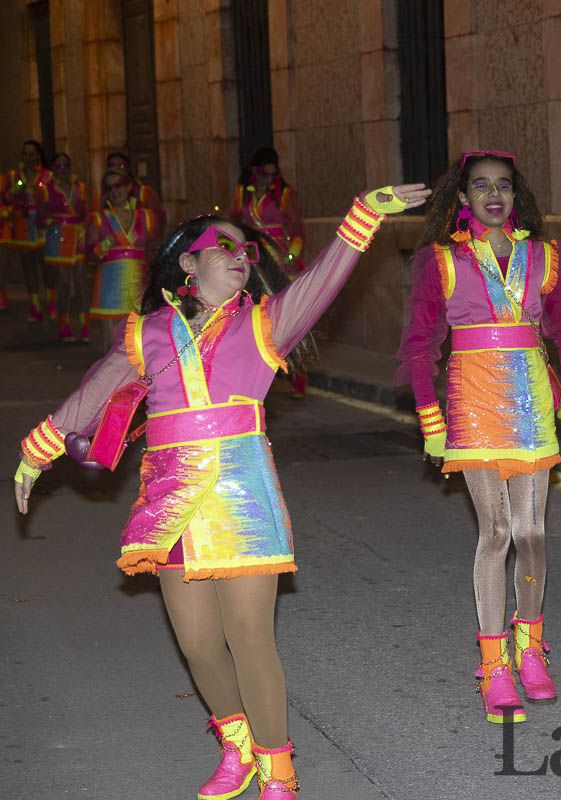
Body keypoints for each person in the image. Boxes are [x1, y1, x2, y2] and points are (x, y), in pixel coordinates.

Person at [14, 182, 430, 799]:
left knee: (250, 636)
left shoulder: (266, 324)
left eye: (247, 249)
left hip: (241, 493)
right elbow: (94, 393)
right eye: (224, 246)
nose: (242, 255)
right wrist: (35, 454)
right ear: (188, 263)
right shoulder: (147, 333)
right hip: (170, 500)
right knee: (199, 643)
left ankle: (279, 770)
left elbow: (322, 280)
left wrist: (362, 216)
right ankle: (237, 746)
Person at [397, 150, 561, 725]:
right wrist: (431, 418)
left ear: (515, 196)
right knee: (498, 531)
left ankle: (530, 647)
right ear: (462, 199)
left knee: (533, 532)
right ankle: (493, 665)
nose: (493, 195)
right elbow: (418, 347)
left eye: (503, 186)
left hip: (532, 400)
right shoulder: (442, 261)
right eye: (480, 186)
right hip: (472, 403)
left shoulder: (542, 256)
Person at [233, 147, 309, 396]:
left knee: (288, 317)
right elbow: (230, 221)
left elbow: (298, 232)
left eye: (272, 175)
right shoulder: (242, 195)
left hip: (278, 261)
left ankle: (297, 376)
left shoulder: (285, 195)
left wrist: (290, 257)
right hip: (250, 259)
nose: (268, 180)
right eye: (263, 174)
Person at [86, 168, 157, 350]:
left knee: (139, 344)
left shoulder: (146, 217)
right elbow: (89, 256)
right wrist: (101, 248)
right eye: (109, 188)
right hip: (110, 283)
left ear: (128, 187)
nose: (114, 191)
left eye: (118, 185)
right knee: (112, 347)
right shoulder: (99, 219)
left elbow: (154, 251)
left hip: (138, 283)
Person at [41, 153, 89, 341]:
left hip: (77, 236)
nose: (62, 169)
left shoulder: (79, 188)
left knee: (81, 282)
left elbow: (85, 213)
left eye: (65, 165)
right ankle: (64, 323)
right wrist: (51, 223)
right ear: (53, 168)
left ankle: (84, 324)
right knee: (63, 283)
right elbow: (41, 216)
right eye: (58, 166)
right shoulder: (46, 190)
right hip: (58, 236)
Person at [1, 140, 52, 320]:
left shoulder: (47, 176)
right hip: (23, 225)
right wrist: (18, 186)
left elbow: (53, 200)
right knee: (29, 267)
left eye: (32, 154)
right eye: (25, 154)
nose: (28, 157)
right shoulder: (15, 175)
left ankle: (51, 302)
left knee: (46, 267)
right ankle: (35, 305)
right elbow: (7, 198)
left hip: (42, 226)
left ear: (38, 156)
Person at [100, 151, 165, 229]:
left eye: (120, 165)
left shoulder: (144, 193)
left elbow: (160, 221)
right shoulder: (102, 196)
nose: (115, 168)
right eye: (111, 165)